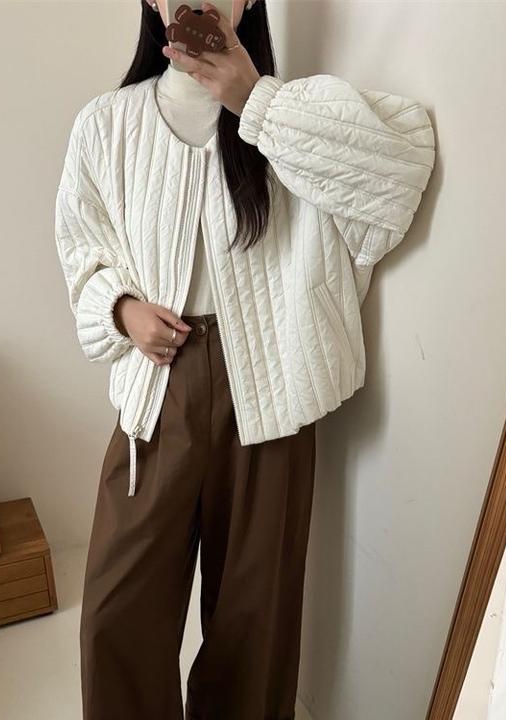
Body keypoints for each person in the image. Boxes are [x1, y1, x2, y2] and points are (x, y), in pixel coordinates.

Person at [54, 1, 436, 717]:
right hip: (158, 390)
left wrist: (255, 101)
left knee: (253, 623)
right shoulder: (107, 124)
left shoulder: (291, 114)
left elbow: (400, 171)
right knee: (115, 613)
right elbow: (82, 246)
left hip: (270, 390)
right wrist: (121, 308)